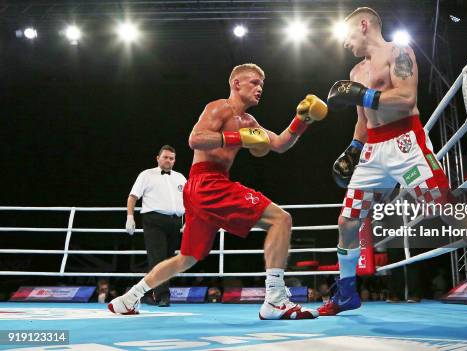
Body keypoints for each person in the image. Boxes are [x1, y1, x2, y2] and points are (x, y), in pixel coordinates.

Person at [319, 7, 467, 318]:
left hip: (407, 143)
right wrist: (352, 150)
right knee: (347, 221)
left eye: (347, 34)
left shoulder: (399, 51)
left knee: (446, 209)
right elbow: (363, 120)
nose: (345, 43)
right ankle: (347, 292)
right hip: (372, 151)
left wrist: (362, 95)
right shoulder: (355, 73)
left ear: (364, 25)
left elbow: (405, 99)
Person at [110, 63, 327, 320]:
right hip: (207, 182)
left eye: (262, 85)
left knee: (188, 257)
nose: (259, 89)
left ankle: (129, 298)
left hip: (202, 188)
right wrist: (237, 138)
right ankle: (275, 299)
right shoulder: (219, 107)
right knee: (281, 219)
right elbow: (195, 139)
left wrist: (302, 120)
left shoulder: (249, 121)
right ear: (236, 84)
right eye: (254, 83)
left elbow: (279, 144)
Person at [126, 145, 187, 307]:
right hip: (154, 220)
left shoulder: (180, 177)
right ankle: (162, 296)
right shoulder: (146, 175)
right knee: (158, 259)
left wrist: (189, 221)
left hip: (175, 222)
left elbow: (189, 201)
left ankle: (149, 293)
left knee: (168, 260)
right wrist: (130, 216)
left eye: (171, 158)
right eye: (165, 157)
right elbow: (132, 197)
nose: (168, 160)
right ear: (158, 158)